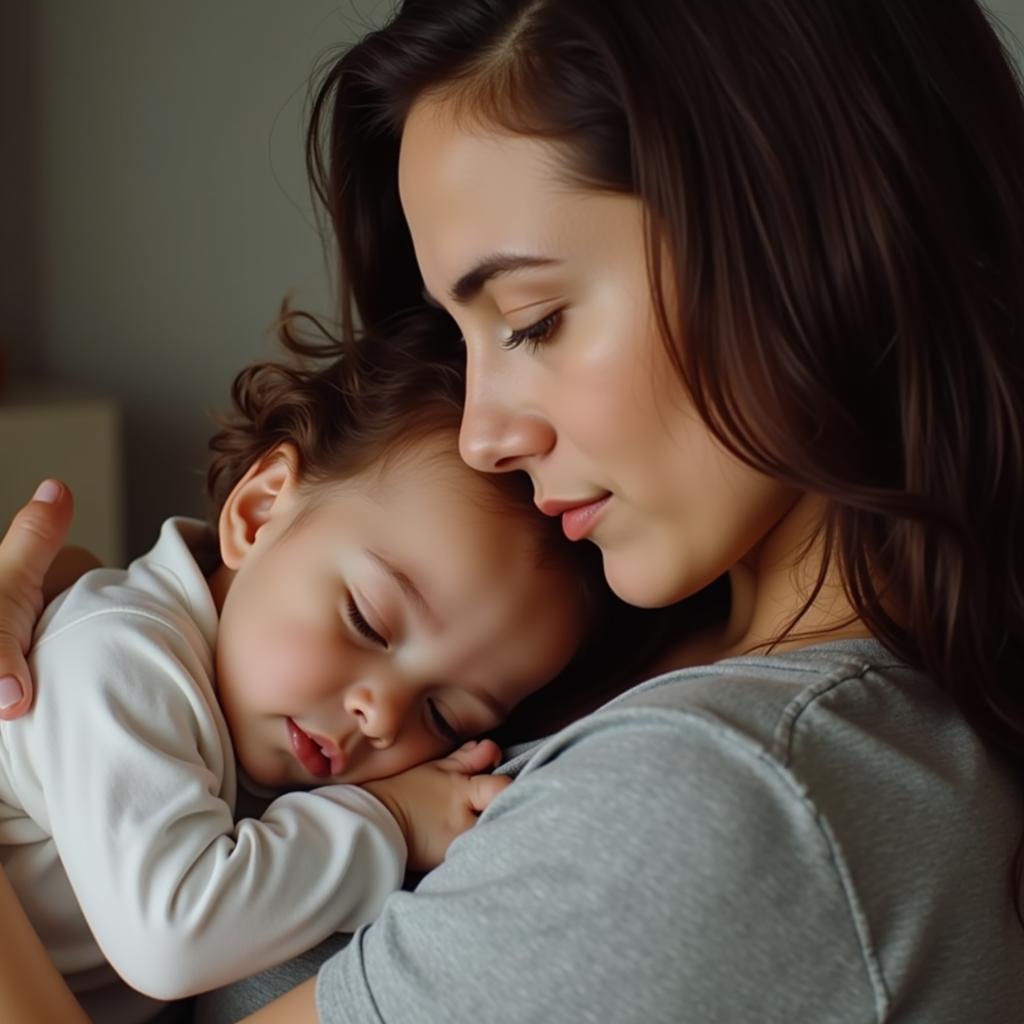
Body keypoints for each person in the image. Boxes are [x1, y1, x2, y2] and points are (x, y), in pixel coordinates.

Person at [4, 0, 1024, 1020]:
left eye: (533, 321)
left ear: (806, 230)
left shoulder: (723, 798)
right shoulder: (623, 635)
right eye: (463, 337)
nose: (483, 434)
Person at [0, 308, 591, 1022]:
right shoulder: (118, 656)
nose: (382, 714)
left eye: (445, 714)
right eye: (367, 621)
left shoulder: (241, 707)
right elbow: (172, 935)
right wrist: (389, 820)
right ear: (257, 511)